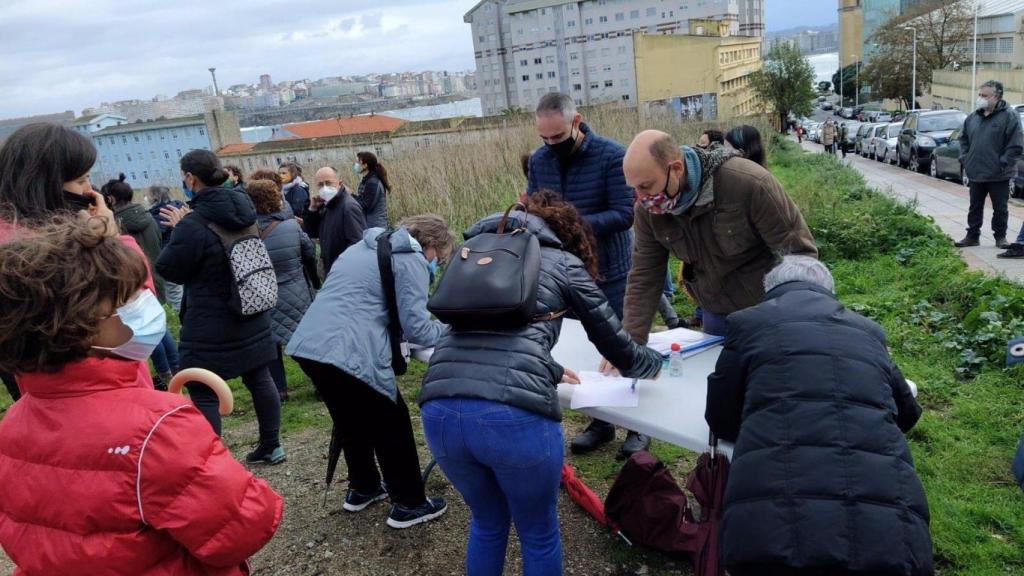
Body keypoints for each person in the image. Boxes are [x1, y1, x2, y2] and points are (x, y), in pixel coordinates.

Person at [0, 218, 283, 575]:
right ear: (78, 326)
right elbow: (243, 528)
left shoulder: (13, 422)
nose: (145, 303)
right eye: (128, 298)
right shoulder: (158, 426)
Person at [419, 191, 663, 576]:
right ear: (568, 232)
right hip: (512, 418)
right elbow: (620, 347)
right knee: (538, 533)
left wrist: (545, 366)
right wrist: (655, 363)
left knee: (486, 522)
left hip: (440, 408)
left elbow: (478, 332)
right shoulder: (563, 261)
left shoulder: (472, 253)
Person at [705, 256, 933, 576]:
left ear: (769, 289)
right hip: (893, 544)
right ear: (829, 291)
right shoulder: (868, 330)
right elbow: (907, 414)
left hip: (769, 540)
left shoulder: (748, 322)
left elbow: (721, 419)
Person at [287, 215, 455, 529]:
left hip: (309, 344)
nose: (437, 264)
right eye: (440, 258)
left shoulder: (361, 247)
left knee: (351, 420)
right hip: (349, 351)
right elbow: (417, 327)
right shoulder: (411, 258)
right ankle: (409, 503)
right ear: (431, 245)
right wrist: (451, 328)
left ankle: (362, 487)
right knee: (393, 423)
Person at [526, 92, 648, 458]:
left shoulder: (612, 156)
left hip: (610, 270)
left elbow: (624, 214)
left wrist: (573, 225)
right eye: (544, 138)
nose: (551, 145)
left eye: (558, 138)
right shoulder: (539, 161)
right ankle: (601, 421)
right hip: (565, 272)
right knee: (580, 349)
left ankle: (639, 427)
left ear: (576, 122)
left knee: (620, 346)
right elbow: (536, 207)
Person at [618, 130, 817, 344]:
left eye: (646, 186)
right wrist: (630, 343)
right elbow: (645, 275)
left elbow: (799, 257)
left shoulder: (749, 184)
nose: (641, 198)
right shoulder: (649, 211)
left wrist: (795, 326)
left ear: (676, 169)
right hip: (715, 315)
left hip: (768, 315)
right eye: (635, 189)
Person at [0, 122, 157, 390]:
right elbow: (139, 313)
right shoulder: (47, 252)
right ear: (48, 184)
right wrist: (113, 241)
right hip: (106, 387)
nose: (90, 189)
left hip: (46, 397)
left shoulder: (13, 241)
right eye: (82, 179)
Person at [156, 149, 285, 464]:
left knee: (201, 388)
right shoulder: (244, 209)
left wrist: (176, 230)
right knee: (259, 376)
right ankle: (272, 445)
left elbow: (170, 268)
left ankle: (212, 460)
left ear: (190, 178)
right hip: (250, 307)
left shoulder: (193, 223)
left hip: (209, 320)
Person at [102, 174, 179, 389]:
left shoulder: (120, 226)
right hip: (154, 273)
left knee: (144, 332)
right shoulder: (145, 216)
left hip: (136, 281)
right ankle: (176, 367)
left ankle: (165, 374)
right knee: (159, 327)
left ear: (111, 200)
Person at [245, 178, 317, 402]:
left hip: (264, 294)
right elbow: (309, 251)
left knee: (271, 345)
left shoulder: (247, 232)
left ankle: (279, 390)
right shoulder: (291, 226)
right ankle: (321, 382)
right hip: (296, 291)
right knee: (303, 343)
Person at [954, 80, 1024, 251]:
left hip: (999, 172)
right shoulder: (973, 117)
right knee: (974, 206)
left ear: (997, 97)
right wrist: (965, 158)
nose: (980, 98)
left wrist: (1003, 162)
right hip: (976, 170)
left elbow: (1015, 144)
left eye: (985, 96)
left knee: (1000, 208)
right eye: (980, 95)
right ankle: (972, 236)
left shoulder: (1009, 116)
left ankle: (1000, 237)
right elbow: (963, 139)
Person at [304, 166, 366, 276]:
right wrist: (312, 210)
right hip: (332, 269)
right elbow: (313, 233)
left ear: (339, 183)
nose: (324, 188)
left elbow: (357, 244)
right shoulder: (326, 205)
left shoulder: (348, 207)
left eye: (328, 183)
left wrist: (341, 268)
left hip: (345, 273)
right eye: (320, 185)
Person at [149, 185, 185, 313]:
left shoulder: (157, 215)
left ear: (154, 197)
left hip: (169, 255)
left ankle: (181, 317)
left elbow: (157, 234)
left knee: (174, 290)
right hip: (185, 252)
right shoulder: (180, 207)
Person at [354, 151, 390, 229]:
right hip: (370, 225)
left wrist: (350, 194)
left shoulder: (373, 182)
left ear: (365, 165)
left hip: (376, 227)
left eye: (358, 162)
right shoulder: (367, 180)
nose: (356, 165)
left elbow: (365, 205)